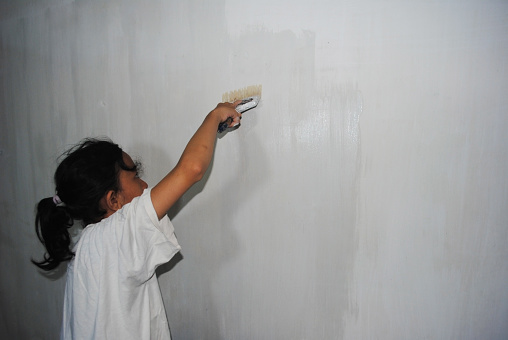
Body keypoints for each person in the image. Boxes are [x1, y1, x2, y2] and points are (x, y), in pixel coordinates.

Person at [32, 101, 242, 339]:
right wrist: (214, 116)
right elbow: (191, 169)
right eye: (136, 177)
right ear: (113, 201)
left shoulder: (88, 245)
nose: (145, 185)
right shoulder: (118, 234)